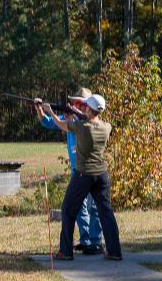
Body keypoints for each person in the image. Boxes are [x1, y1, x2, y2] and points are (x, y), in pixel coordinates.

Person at [42, 94, 122, 261]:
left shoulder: (82, 127)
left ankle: (65, 251)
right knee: (106, 212)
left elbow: (62, 125)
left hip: (83, 174)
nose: (83, 108)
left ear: (88, 109)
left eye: (85, 106)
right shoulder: (106, 127)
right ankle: (114, 251)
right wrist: (75, 112)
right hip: (101, 175)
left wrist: (50, 111)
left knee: (68, 210)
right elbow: (90, 119)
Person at [34, 88, 103, 256]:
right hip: (77, 171)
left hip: (90, 169)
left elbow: (82, 125)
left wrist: (74, 115)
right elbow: (48, 122)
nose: (76, 105)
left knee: (93, 208)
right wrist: (40, 109)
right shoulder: (70, 119)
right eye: (75, 102)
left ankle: (96, 242)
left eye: (80, 103)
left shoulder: (89, 121)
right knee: (79, 208)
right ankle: (86, 241)